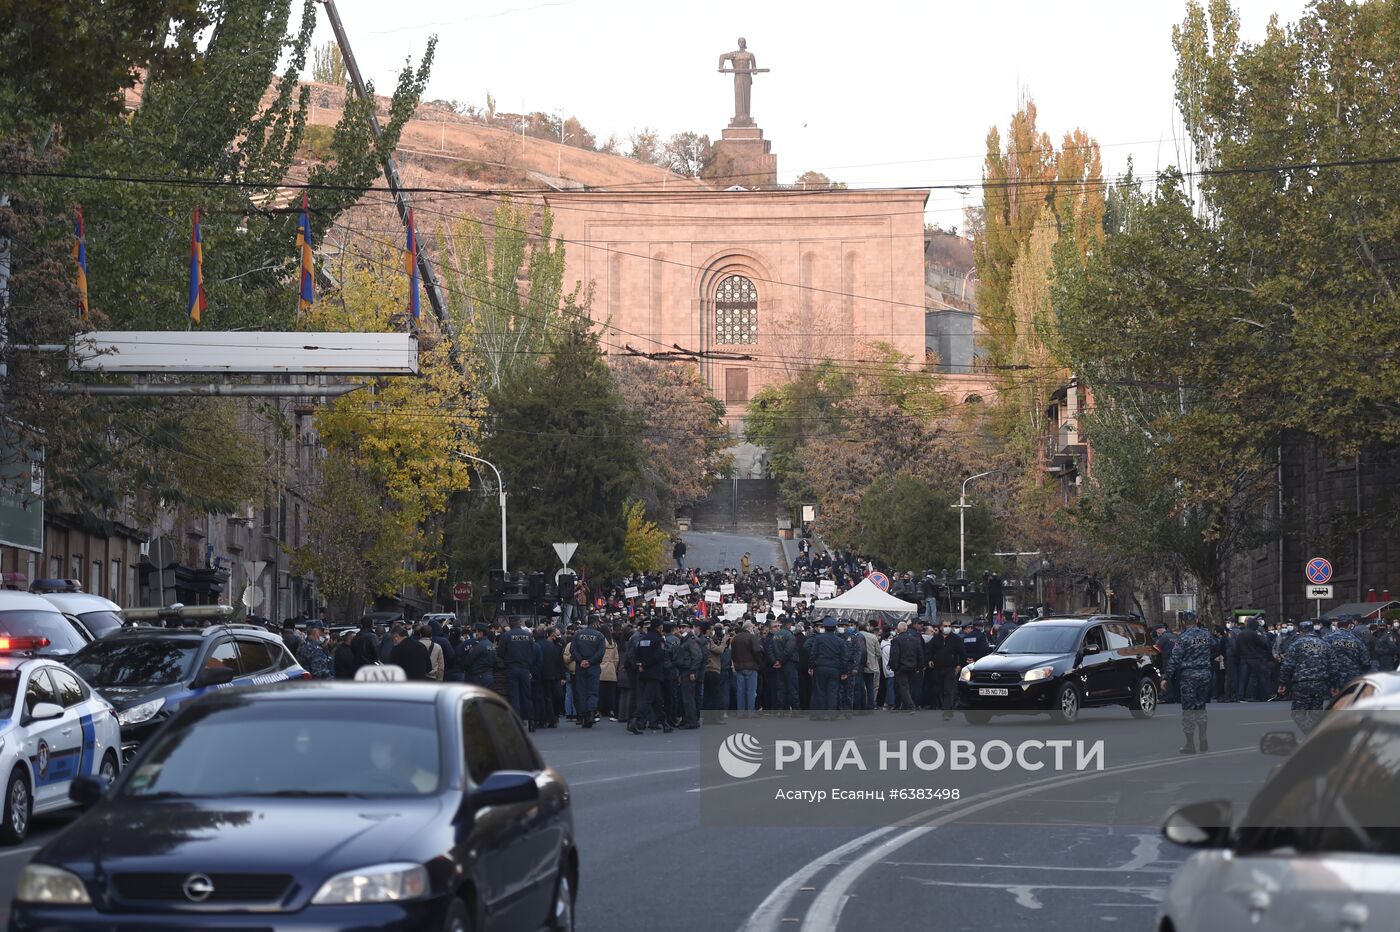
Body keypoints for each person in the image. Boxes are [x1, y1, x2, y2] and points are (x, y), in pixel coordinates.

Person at [1163, 614, 1214, 753]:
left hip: (1189, 676)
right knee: (1201, 707)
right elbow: (1215, 648)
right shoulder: (1207, 635)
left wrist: (1166, 677)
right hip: (1205, 674)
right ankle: (1203, 740)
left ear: (1183, 621)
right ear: (1197, 620)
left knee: (1188, 710)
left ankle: (1190, 744)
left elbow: (1175, 658)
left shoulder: (1183, 637)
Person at [1278, 620, 1338, 734]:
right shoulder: (1324, 644)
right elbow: (1333, 666)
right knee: (1316, 714)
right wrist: (1334, 684)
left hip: (1302, 684)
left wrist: (1282, 683)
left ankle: (1311, 734)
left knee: (1298, 713)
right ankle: (1315, 735)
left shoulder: (1296, 644)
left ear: (1300, 631)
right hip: (1320, 683)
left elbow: (1287, 666)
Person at [629, 617, 672, 735]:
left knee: (657, 700)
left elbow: (636, 653)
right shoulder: (659, 639)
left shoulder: (643, 639)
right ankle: (635, 720)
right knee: (647, 699)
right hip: (654, 673)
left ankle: (664, 724)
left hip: (643, 672)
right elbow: (658, 656)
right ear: (659, 627)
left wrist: (639, 664)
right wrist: (645, 664)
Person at [807, 616, 848, 718]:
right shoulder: (840, 641)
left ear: (824, 627)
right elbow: (844, 658)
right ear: (835, 628)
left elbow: (813, 654)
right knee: (833, 691)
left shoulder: (818, 639)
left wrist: (811, 667)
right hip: (834, 669)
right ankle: (831, 714)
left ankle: (819, 714)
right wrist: (844, 672)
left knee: (819, 691)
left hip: (820, 667)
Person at [570, 616, 607, 728]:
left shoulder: (578, 634)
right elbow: (601, 652)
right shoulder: (599, 636)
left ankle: (583, 716)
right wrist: (590, 662)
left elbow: (573, 649)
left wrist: (581, 661)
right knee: (593, 691)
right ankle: (591, 713)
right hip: (593, 667)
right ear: (595, 623)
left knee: (581, 691)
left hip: (580, 667)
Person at [500, 617, 536, 731]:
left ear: (510, 624)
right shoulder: (528, 635)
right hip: (525, 668)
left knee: (514, 695)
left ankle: (517, 722)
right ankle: (531, 722)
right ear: (519, 623)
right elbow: (532, 651)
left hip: (511, 668)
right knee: (527, 695)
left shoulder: (506, 636)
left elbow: (501, 652)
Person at [928, 622, 966, 720]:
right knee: (940, 689)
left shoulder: (956, 639)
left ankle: (947, 711)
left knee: (948, 690)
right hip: (938, 668)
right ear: (940, 627)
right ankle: (948, 707)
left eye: (949, 626)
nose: (947, 628)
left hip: (951, 668)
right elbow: (929, 652)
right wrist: (930, 660)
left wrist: (959, 665)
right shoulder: (935, 639)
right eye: (945, 626)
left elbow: (962, 653)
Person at [889, 621, 924, 713]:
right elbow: (919, 654)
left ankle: (910, 706)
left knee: (903, 687)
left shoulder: (896, 640)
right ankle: (905, 705)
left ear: (899, 629)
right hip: (913, 667)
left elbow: (895, 655)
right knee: (910, 687)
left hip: (901, 667)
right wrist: (920, 667)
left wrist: (894, 667)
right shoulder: (914, 640)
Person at [730, 619, 763, 716]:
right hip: (751, 667)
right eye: (752, 627)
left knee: (741, 691)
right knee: (751, 691)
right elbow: (757, 651)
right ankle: (750, 712)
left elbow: (733, 653)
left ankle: (740, 713)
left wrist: (736, 663)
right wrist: (758, 662)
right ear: (749, 628)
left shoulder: (735, 638)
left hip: (739, 667)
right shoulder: (752, 637)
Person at [770, 617, 798, 713]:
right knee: (792, 687)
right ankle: (795, 709)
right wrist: (781, 661)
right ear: (789, 624)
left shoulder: (775, 635)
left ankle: (781, 709)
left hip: (779, 664)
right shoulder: (790, 635)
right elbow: (788, 651)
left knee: (781, 687)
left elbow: (770, 650)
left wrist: (775, 661)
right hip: (788, 664)